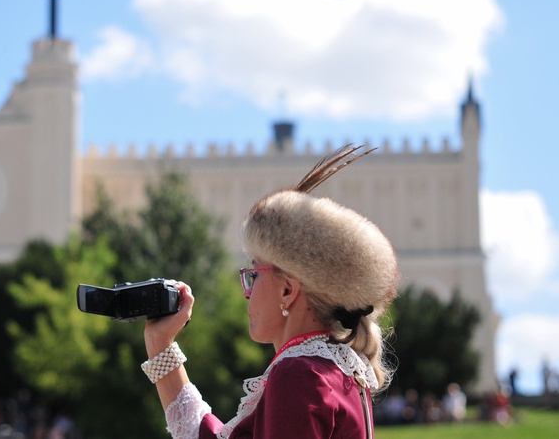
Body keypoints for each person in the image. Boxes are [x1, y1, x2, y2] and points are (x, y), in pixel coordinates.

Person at [142, 145, 399, 438]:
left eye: (253, 275)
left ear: (287, 290)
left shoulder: (298, 373)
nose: (246, 293)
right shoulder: (334, 369)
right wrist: (160, 343)